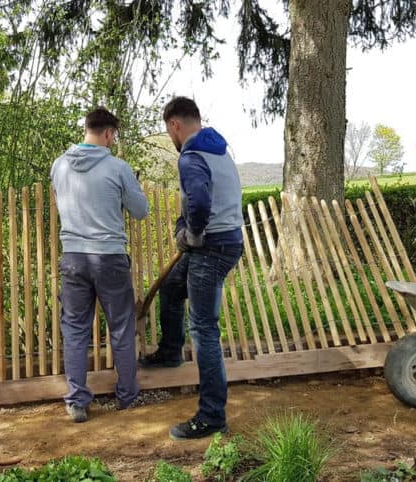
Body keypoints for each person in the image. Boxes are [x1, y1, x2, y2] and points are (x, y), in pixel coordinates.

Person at [138, 97, 244, 440]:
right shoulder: (218, 150)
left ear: (174, 125)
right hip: (226, 240)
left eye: (168, 131)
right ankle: (170, 351)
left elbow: (198, 200)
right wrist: (184, 226)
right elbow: (197, 201)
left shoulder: (192, 155)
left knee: (204, 330)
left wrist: (193, 232)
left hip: (211, 247)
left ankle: (212, 416)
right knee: (171, 286)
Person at [51, 107, 149, 423]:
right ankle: (127, 396)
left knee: (76, 330)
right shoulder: (117, 168)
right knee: (120, 327)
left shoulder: (59, 165)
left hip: (74, 258)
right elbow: (140, 211)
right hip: (109, 257)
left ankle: (77, 401)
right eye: (113, 136)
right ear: (109, 133)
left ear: (87, 128)